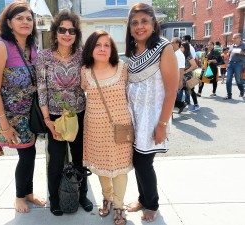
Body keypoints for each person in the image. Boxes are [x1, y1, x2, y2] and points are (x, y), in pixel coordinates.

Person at [0, 1, 46, 213]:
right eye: (19, 18)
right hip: (11, 116)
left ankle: (27, 192)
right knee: (26, 155)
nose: (25, 22)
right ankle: (20, 196)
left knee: (29, 153)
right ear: (9, 23)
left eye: (29, 18)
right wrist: (4, 124)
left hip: (31, 114)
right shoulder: (1, 46)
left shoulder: (33, 47)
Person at [124, 3, 179, 222]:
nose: (139, 26)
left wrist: (162, 125)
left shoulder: (163, 48)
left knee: (144, 163)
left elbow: (171, 90)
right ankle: (142, 198)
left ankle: (152, 204)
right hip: (135, 117)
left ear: (153, 24)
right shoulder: (133, 51)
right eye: (135, 22)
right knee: (137, 161)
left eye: (144, 21)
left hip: (153, 119)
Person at [35, 10, 93, 216]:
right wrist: (47, 120)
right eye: (62, 29)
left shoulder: (82, 55)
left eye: (72, 30)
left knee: (79, 158)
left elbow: (92, 80)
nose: (67, 34)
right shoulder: (44, 56)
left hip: (79, 114)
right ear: (55, 31)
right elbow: (41, 89)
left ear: (76, 34)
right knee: (57, 160)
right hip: (55, 118)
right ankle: (55, 198)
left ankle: (82, 193)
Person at [81, 30, 133, 225]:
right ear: (91, 48)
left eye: (107, 45)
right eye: (98, 45)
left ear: (112, 49)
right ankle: (107, 198)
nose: (102, 49)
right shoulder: (85, 71)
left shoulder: (123, 68)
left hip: (120, 126)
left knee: (120, 169)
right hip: (95, 128)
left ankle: (119, 206)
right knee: (102, 168)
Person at [224, 33, 245, 99]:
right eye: (233, 38)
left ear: (239, 38)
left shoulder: (244, 45)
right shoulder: (232, 46)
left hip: (239, 64)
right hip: (231, 64)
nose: (233, 39)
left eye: (235, 38)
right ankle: (229, 95)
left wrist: (243, 53)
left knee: (238, 80)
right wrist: (227, 62)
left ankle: (242, 90)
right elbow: (229, 54)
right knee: (228, 80)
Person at [180, 42, 199, 111]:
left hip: (188, 76)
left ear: (186, 48)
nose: (180, 48)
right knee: (181, 90)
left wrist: (186, 71)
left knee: (191, 90)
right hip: (182, 76)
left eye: (182, 47)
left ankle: (196, 105)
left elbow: (194, 66)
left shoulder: (188, 56)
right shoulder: (181, 55)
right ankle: (180, 105)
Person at [171, 37, 187, 113]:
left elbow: (181, 69)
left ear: (177, 44)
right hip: (172, 78)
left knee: (171, 97)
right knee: (171, 97)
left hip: (176, 79)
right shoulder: (174, 53)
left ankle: (180, 105)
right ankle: (180, 105)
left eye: (172, 43)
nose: (171, 44)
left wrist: (180, 81)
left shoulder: (179, 55)